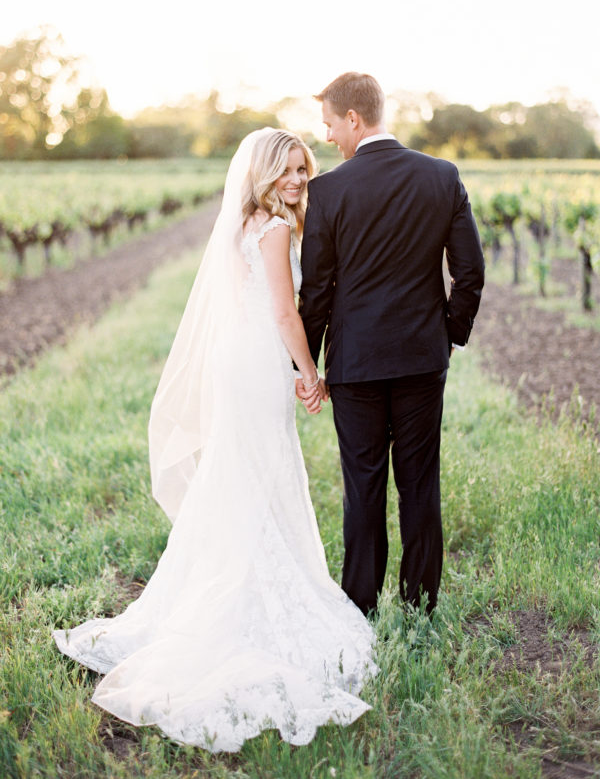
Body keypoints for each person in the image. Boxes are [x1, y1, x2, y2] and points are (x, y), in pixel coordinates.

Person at [53, 128, 376, 752]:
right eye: (286, 170)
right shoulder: (275, 228)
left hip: (236, 359)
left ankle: (219, 577)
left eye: (303, 169)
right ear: (263, 172)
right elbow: (283, 312)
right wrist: (310, 374)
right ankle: (242, 596)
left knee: (241, 472)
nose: (297, 180)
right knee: (260, 472)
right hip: (259, 364)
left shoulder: (241, 222)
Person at [298, 73, 485, 617]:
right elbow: (470, 272)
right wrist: (448, 336)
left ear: (353, 118)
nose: (328, 136)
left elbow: (317, 291)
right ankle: (420, 605)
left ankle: (360, 608)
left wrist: (305, 365)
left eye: (330, 124)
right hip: (422, 359)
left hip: (354, 363)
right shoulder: (441, 176)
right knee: (420, 483)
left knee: (363, 487)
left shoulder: (328, 191)